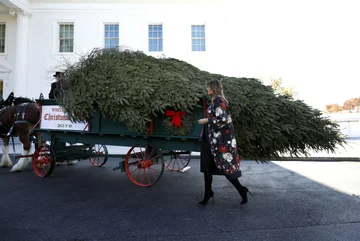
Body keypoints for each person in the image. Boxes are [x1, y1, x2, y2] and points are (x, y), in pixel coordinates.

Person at [197, 79, 252, 205]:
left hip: (219, 142)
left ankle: (242, 190)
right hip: (211, 140)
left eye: (208, 87)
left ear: (213, 88)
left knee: (227, 168)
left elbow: (223, 120)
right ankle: (208, 193)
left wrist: (207, 120)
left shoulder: (219, 100)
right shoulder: (216, 100)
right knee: (207, 168)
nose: (207, 89)